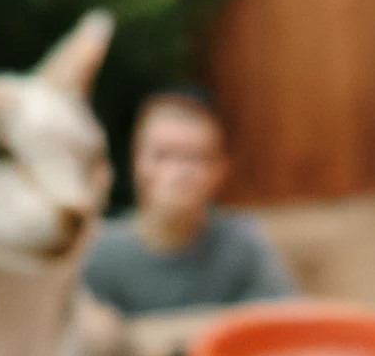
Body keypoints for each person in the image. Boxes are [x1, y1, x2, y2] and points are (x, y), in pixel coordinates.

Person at [83, 86, 295, 315]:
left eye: (195, 157)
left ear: (220, 170)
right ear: (136, 162)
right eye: (163, 155)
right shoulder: (97, 253)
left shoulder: (244, 245)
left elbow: (286, 321)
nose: (179, 171)